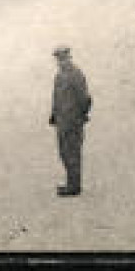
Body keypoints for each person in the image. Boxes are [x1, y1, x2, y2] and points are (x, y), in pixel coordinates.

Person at [49, 46, 92, 196]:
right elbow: (56, 98)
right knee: (64, 153)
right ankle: (70, 183)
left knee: (72, 154)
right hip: (62, 122)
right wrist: (54, 116)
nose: (61, 62)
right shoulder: (59, 75)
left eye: (63, 59)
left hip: (72, 122)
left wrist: (80, 117)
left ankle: (74, 187)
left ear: (69, 58)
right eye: (59, 60)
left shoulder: (76, 74)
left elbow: (85, 99)